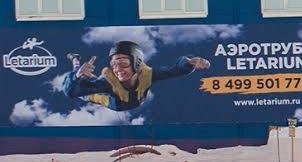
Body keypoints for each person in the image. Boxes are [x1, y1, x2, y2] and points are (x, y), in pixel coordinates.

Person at [64, 40, 209, 112]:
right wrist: (76, 76)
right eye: (114, 64)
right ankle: (75, 60)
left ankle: (78, 67)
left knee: (90, 80)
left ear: (137, 63)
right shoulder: (107, 83)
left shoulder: (148, 75)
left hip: (133, 99)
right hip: (113, 102)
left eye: (123, 63)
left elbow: (175, 70)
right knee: (85, 87)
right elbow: (71, 92)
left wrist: (189, 62)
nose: (118, 69)